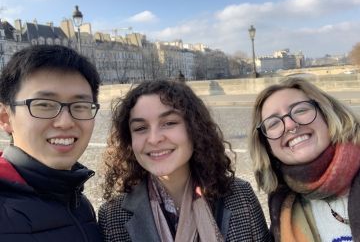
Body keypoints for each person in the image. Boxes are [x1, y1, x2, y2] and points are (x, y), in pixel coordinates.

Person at [98, 80, 270, 241]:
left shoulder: (241, 196)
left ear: (194, 129)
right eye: (141, 128)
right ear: (129, 140)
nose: (154, 139)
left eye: (169, 123)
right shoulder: (112, 216)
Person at [0, 45, 103, 241]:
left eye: (80, 106)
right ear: (5, 117)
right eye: (44, 105)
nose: (65, 122)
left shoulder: (77, 201)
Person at [249, 77, 360, 241]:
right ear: (267, 146)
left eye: (300, 110)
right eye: (273, 123)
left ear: (326, 114)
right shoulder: (282, 207)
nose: (290, 125)